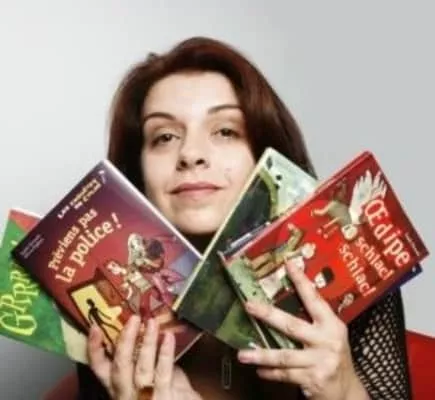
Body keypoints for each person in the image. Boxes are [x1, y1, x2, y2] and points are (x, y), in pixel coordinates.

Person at [51, 37, 411, 399]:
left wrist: (344, 391)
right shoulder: (112, 314)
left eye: (225, 131)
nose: (190, 154)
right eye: (164, 137)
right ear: (137, 173)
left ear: (265, 153)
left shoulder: (353, 285)